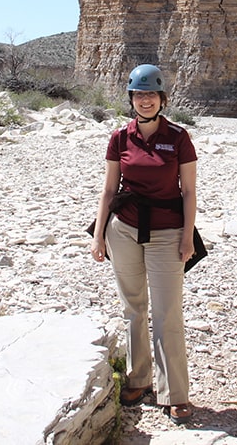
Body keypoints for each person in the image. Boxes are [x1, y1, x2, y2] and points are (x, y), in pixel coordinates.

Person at [90, 64, 198, 425]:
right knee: (133, 307)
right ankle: (139, 380)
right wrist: (99, 234)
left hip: (167, 232)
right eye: (139, 94)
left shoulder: (179, 138)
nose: (146, 100)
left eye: (151, 94)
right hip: (124, 230)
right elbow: (109, 189)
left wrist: (187, 236)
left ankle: (175, 393)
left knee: (168, 313)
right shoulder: (120, 137)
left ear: (162, 98)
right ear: (131, 99)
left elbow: (189, 191)